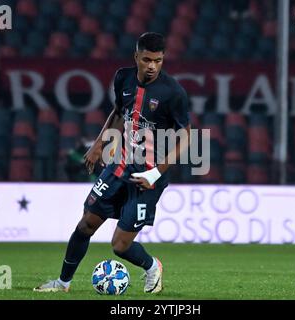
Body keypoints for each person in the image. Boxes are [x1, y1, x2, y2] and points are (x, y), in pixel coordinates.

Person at [34, 32, 190, 293]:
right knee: (86, 224)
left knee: (120, 246)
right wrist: (99, 144)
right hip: (120, 166)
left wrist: (156, 173)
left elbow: (185, 135)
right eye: (147, 59)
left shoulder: (173, 92)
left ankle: (152, 266)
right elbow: (119, 112)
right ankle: (63, 283)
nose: (152, 66)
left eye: (158, 61)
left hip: (148, 177)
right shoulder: (122, 78)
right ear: (136, 57)